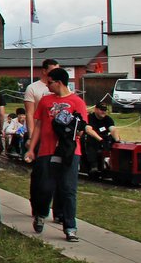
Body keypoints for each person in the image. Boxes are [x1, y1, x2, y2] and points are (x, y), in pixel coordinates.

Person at [24, 68, 103, 242]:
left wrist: (72, 130)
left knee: (68, 189)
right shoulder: (45, 101)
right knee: (44, 187)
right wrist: (32, 147)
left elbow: (81, 127)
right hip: (47, 150)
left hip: (69, 152)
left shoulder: (77, 102)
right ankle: (41, 213)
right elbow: (38, 125)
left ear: (58, 82)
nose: (47, 85)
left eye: (50, 82)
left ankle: (70, 227)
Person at [24, 59, 62, 221]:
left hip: (58, 137)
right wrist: (32, 137)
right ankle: (38, 207)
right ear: (44, 71)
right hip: (40, 136)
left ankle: (59, 212)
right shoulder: (33, 89)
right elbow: (30, 114)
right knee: (40, 175)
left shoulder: (59, 88)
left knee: (60, 175)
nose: (55, 73)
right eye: (53, 70)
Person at [82, 102, 118, 176]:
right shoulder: (89, 117)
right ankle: (93, 165)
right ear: (96, 109)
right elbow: (89, 130)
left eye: (105, 110)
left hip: (104, 138)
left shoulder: (108, 119)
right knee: (90, 139)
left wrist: (117, 141)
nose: (103, 111)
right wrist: (100, 140)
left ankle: (112, 165)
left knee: (112, 141)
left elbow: (113, 130)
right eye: (101, 109)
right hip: (91, 139)